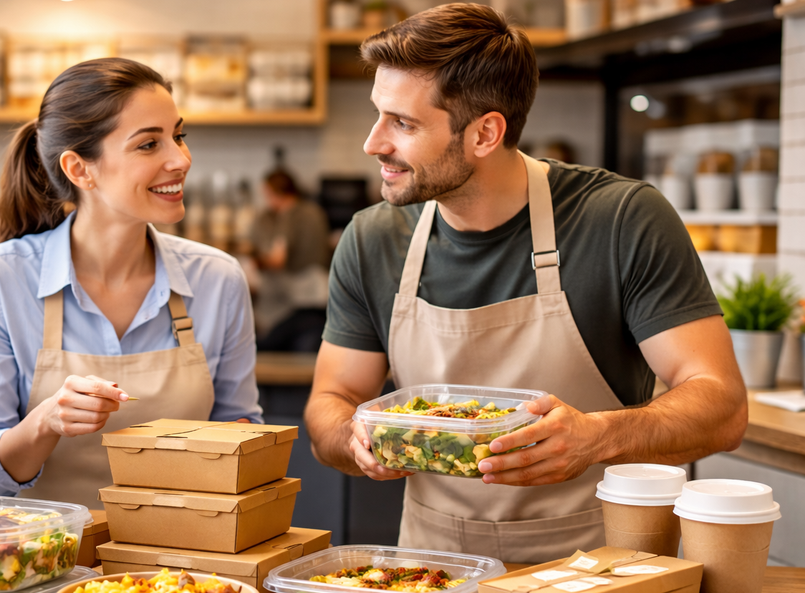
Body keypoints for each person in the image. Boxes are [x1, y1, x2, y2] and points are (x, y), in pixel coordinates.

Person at [304, 4, 748, 563]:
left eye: (403, 123)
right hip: (431, 584)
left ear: (486, 133)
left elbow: (723, 406)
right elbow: (331, 400)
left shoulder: (620, 220)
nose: (373, 143)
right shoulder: (372, 239)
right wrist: (353, 438)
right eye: (378, 115)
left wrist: (597, 437)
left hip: (599, 573)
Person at [0, 58, 262, 505]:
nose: (181, 159)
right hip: (39, 561)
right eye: (149, 145)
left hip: (180, 567)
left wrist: (240, 442)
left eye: (179, 136)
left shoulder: (218, 279)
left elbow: (242, 426)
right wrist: (46, 420)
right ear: (80, 170)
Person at [251, 169, 332, 352]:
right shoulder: (315, 212)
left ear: (276, 193)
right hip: (320, 297)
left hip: (298, 301)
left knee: (270, 347)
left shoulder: (291, 214)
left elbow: (278, 259)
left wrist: (257, 262)